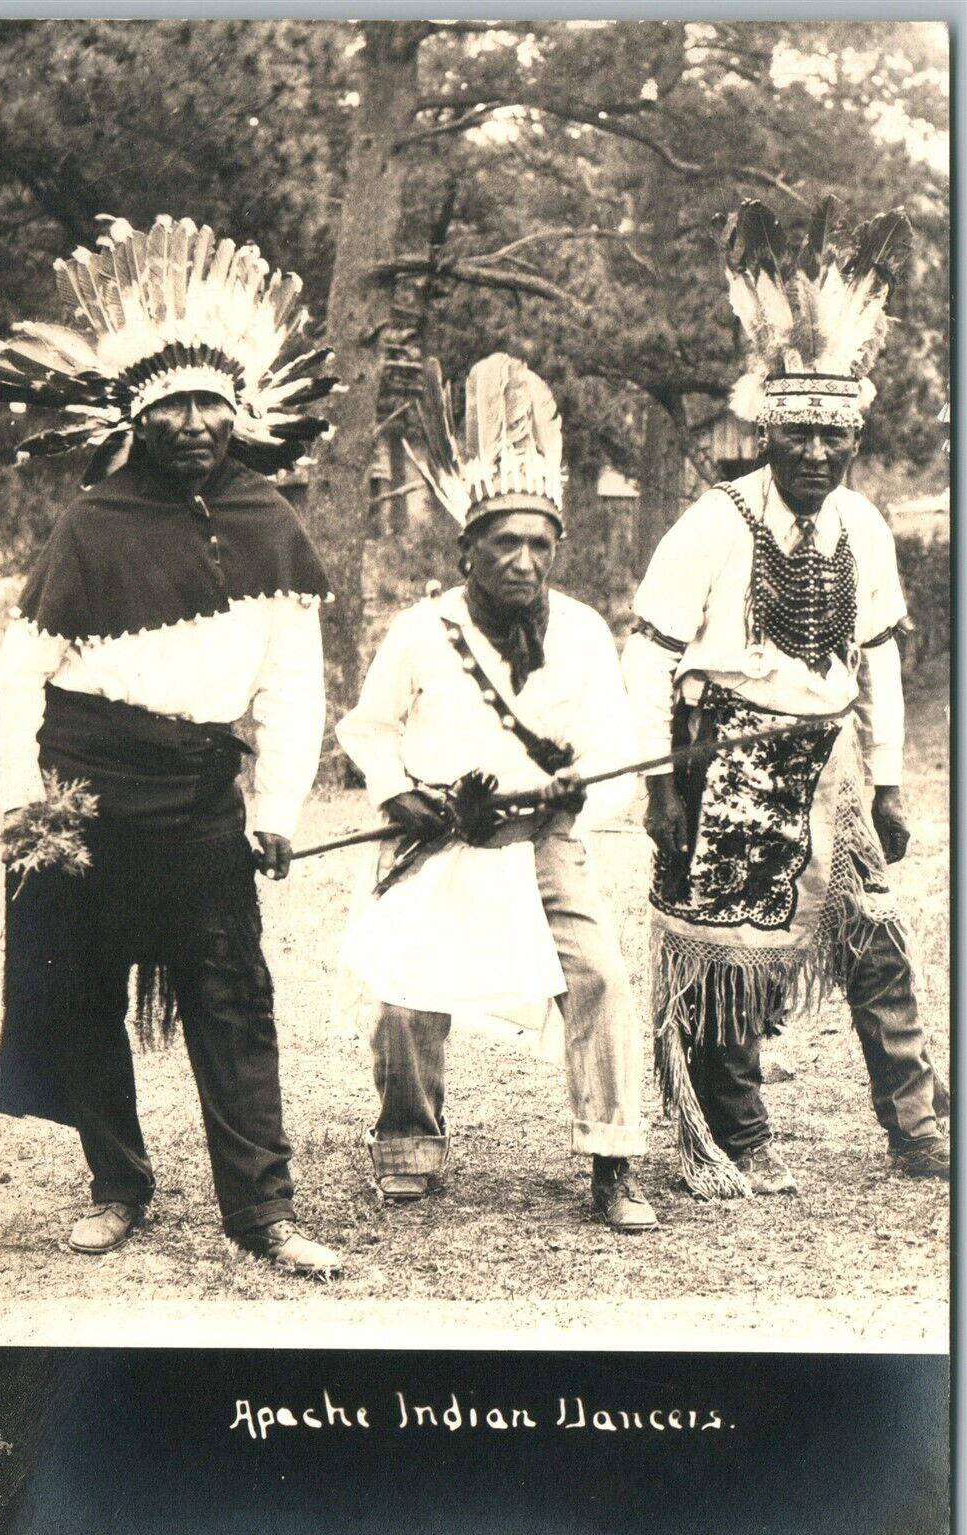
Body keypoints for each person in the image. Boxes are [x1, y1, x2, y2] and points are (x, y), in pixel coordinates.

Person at [0, 215, 342, 1273]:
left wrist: (273, 811)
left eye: (211, 404)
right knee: (82, 990)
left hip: (195, 796)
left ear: (239, 411)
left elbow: (289, 683)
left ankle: (262, 1209)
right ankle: (115, 1182)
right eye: (173, 403)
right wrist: (23, 803)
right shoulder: (91, 524)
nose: (194, 423)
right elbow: (18, 679)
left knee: (232, 995)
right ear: (138, 413)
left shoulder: (268, 520)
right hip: (81, 794)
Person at [622, 197, 949, 1200]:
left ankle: (916, 1123)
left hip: (834, 763)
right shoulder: (711, 524)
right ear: (767, 429)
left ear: (852, 435)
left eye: (830, 437)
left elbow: (878, 655)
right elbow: (648, 653)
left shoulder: (861, 522)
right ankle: (740, 1132)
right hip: (726, 754)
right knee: (730, 955)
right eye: (795, 434)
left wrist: (885, 782)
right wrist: (657, 783)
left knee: (877, 934)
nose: (812, 453)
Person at [335, 353, 657, 1232]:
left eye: (538, 544)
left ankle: (611, 1160)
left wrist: (572, 798)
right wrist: (400, 797)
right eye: (502, 543)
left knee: (601, 977)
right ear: (464, 548)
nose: (521, 561)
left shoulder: (587, 633)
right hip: (438, 835)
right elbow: (367, 729)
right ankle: (408, 1145)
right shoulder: (421, 631)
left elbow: (612, 747)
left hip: (538, 842)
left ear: (557, 549)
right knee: (405, 992)